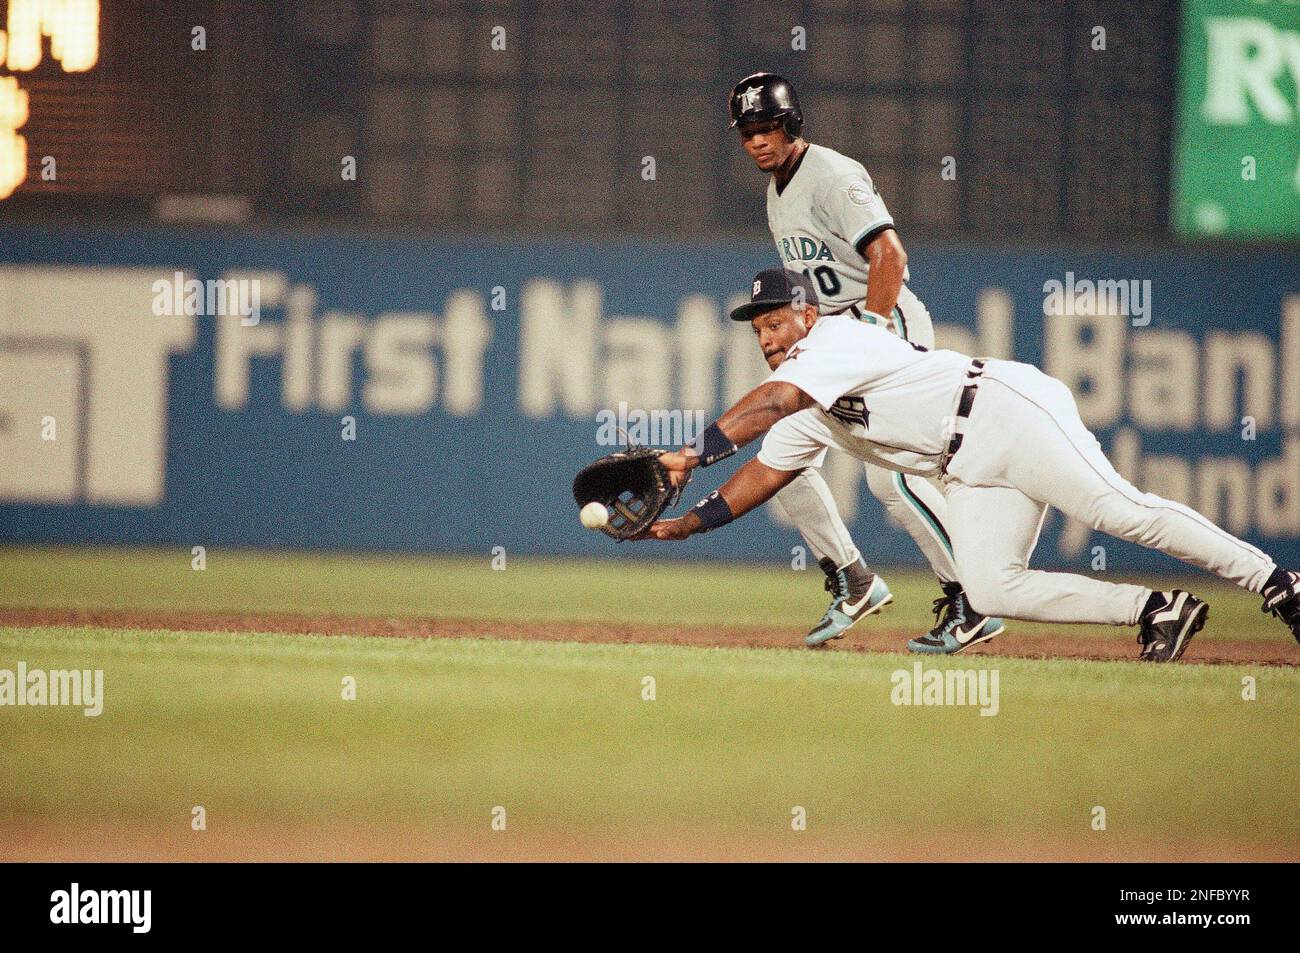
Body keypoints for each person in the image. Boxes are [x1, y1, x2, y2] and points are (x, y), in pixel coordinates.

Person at [636, 269, 1300, 662]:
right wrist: (688, 524)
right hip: (968, 466)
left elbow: (773, 400)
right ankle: (1158, 608)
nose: (767, 335)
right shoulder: (806, 395)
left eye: (774, 319)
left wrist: (692, 451)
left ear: (807, 313)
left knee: (1116, 509)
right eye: (757, 329)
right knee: (990, 588)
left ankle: (1277, 581)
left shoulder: (832, 341)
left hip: (1006, 413)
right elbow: (765, 474)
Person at [726, 71, 1003, 653]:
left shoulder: (833, 175)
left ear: (792, 122)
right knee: (782, 454)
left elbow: (890, 256)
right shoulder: (775, 193)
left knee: (893, 478)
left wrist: (872, 334)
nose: (757, 139)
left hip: (882, 322)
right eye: (748, 131)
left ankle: (973, 599)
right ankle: (852, 578)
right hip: (834, 331)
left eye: (767, 126)